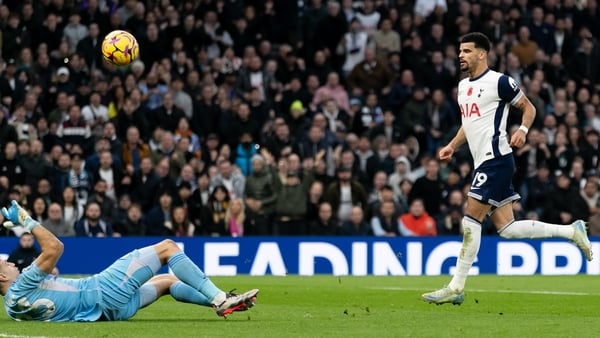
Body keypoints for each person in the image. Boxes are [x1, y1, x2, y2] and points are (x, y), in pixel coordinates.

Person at [422, 33, 593, 306]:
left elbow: (529, 108)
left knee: (470, 220)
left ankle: (456, 287)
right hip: (485, 161)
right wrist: (452, 145)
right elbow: (469, 123)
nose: (461, 55)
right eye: (460, 50)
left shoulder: (500, 81)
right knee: (508, 228)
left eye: (466, 51)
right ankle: (572, 232)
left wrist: (523, 129)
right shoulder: (463, 86)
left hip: (497, 158)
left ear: (482, 54)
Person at [0, 200, 259, 321]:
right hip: (103, 291)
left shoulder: (12, 308)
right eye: (6, 265)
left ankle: (222, 299)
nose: (12, 264)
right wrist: (25, 220)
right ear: (1, 277)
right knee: (168, 248)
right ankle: (220, 299)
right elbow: (54, 247)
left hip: (112, 313)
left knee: (168, 281)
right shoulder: (20, 287)